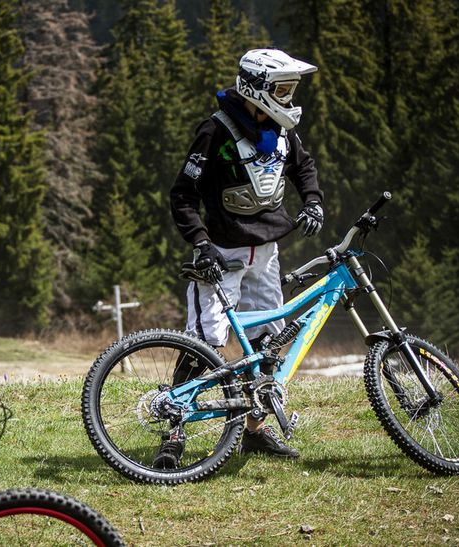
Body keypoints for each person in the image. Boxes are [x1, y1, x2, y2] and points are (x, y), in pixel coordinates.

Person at [158, 48, 324, 468]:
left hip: (266, 253)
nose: (288, 97)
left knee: (270, 341)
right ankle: (173, 430)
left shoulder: (284, 131)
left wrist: (313, 202)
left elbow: (303, 168)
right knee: (204, 342)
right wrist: (200, 245)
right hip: (222, 256)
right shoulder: (215, 132)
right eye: (282, 89)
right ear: (256, 88)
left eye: (291, 89)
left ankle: (254, 430)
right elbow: (182, 196)